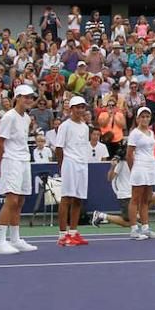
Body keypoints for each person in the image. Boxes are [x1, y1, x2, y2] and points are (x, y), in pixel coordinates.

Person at [0, 84, 39, 255]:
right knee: (11, 200)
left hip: (24, 160)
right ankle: (0, 242)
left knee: (20, 201)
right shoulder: (9, 117)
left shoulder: (26, 118)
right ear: (17, 98)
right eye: (25, 97)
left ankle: (15, 239)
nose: (28, 100)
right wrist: (1, 165)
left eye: (30, 97)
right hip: (11, 161)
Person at [55, 95, 92, 246]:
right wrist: (62, 165)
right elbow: (59, 148)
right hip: (69, 163)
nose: (80, 110)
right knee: (66, 198)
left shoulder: (85, 127)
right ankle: (62, 235)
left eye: (82, 107)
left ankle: (73, 233)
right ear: (71, 109)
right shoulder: (65, 126)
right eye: (77, 107)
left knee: (78, 199)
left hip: (82, 165)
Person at [125, 107, 155, 240]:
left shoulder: (151, 133)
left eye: (147, 116)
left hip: (150, 167)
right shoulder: (134, 133)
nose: (145, 119)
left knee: (146, 199)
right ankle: (134, 229)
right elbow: (129, 154)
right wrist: (134, 169)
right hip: (139, 167)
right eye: (143, 116)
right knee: (135, 199)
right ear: (138, 119)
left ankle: (145, 228)